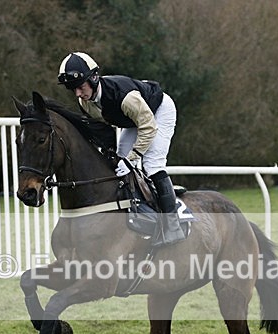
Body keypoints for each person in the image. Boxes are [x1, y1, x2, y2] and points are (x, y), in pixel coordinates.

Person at [57, 51, 185, 246]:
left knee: (151, 164)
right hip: (132, 120)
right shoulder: (85, 102)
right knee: (118, 163)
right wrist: (111, 155)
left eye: (80, 87)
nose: (77, 94)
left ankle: (172, 227)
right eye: (72, 89)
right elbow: (103, 130)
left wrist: (133, 157)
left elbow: (149, 127)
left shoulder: (125, 97)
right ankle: (136, 210)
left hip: (158, 112)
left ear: (93, 79)